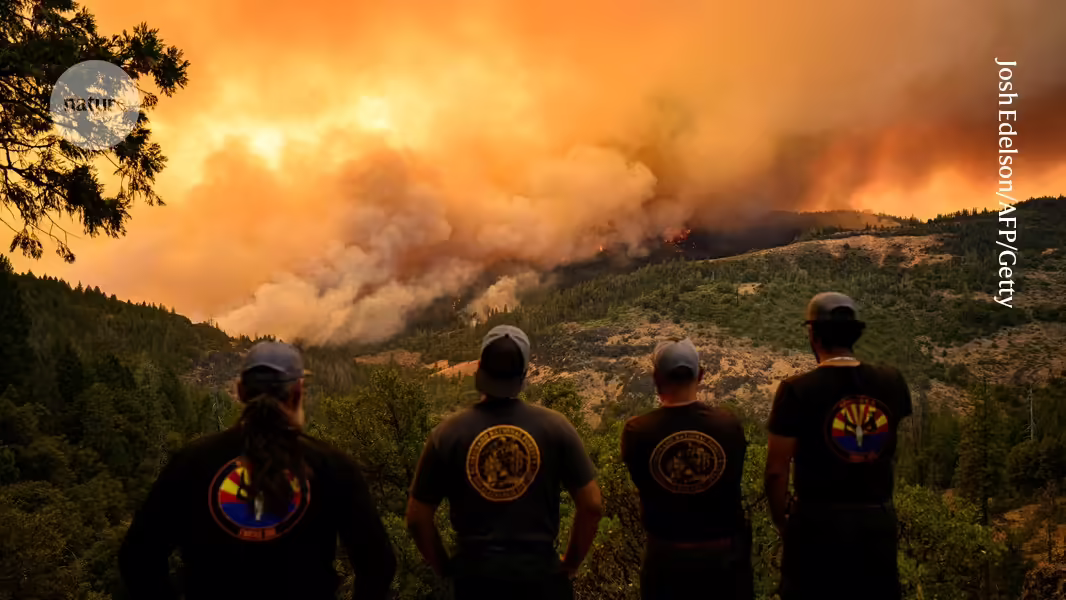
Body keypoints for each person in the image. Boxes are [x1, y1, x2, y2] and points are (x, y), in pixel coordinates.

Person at [119, 341, 396, 600]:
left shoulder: (192, 462)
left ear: (240, 391)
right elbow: (378, 564)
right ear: (298, 392)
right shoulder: (332, 465)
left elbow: (138, 558)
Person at [405, 325, 603, 600]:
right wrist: (570, 563)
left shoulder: (447, 434)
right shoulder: (556, 428)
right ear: (523, 376)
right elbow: (592, 505)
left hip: (476, 582)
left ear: (479, 371)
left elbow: (417, 518)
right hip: (541, 579)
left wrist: (446, 568)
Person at [764, 292, 912, 600]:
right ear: (856, 333)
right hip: (876, 525)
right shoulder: (891, 382)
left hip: (817, 526)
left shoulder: (796, 390)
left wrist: (782, 520)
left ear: (813, 335)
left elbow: (776, 472)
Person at [621, 338, 753, 600]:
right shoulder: (728, 425)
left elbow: (643, 482)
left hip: (666, 561)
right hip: (724, 562)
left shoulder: (638, 432)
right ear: (700, 375)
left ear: (656, 378)